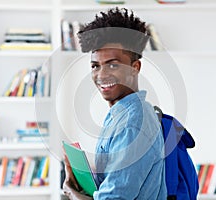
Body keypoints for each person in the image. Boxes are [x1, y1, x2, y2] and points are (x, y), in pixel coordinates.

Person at [62, 7, 167, 200]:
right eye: (95, 66)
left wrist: (71, 191)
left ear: (135, 68)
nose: (101, 75)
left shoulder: (132, 124)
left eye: (113, 65)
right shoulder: (120, 115)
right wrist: (82, 173)